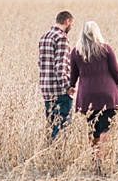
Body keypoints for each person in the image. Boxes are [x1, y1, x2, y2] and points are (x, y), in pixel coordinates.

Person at [69, 21, 118, 168]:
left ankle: (95, 158)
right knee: (106, 125)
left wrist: (71, 86)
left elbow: (73, 75)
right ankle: (103, 157)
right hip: (108, 94)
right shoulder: (106, 49)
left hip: (87, 96)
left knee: (92, 126)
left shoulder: (76, 52)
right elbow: (116, 71)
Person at [38, 10, 75, 140]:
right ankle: (59, 158)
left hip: (46, 90)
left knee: (51, 126)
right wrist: (67, 87)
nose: (71, 27)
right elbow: (61, 66)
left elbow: (40, 62)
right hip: (60, 91)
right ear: (67, 22)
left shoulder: (44, 36)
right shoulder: (62, 38)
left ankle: (50, 156)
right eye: (72, 24)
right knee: (62, 129)